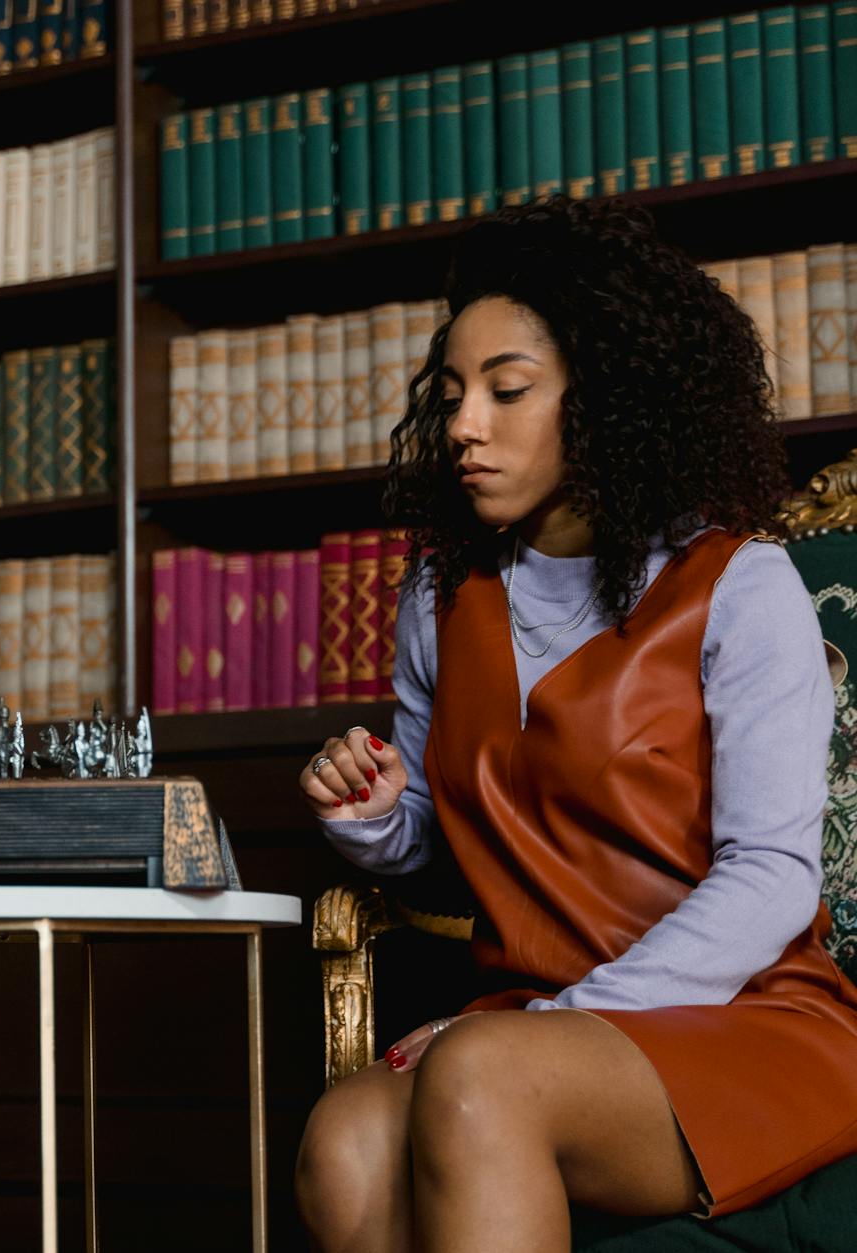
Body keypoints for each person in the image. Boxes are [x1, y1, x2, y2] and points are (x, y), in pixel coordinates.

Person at [292, 197, 857, 1250]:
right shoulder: (438, 595)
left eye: (506, 391)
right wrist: (371, 814)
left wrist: (559, 1021)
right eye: (451, 394)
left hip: (743, 1015)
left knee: (478, 1077)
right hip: (530, 1020)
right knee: (345, 1140)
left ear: (605, 398)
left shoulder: (740, 587)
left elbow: (772, 878)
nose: (464, 425)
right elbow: (442, 839)